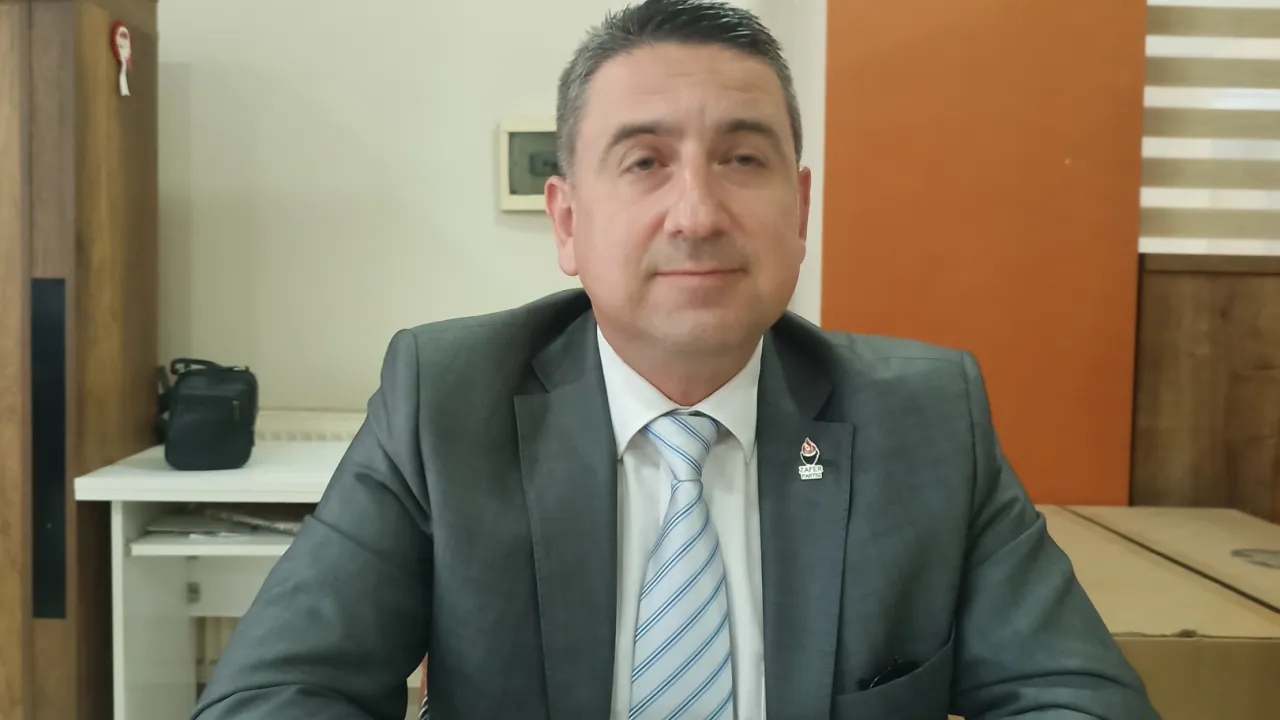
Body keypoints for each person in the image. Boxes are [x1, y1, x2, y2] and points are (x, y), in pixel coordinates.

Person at [192, 1, 1159, 718]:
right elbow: (274, 696)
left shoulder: (926, 420)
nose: (696, 214)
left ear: (800, 210)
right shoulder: (446, 402)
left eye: (742, 159)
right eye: (645, 162)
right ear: (568, 222)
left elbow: (1077, 699)